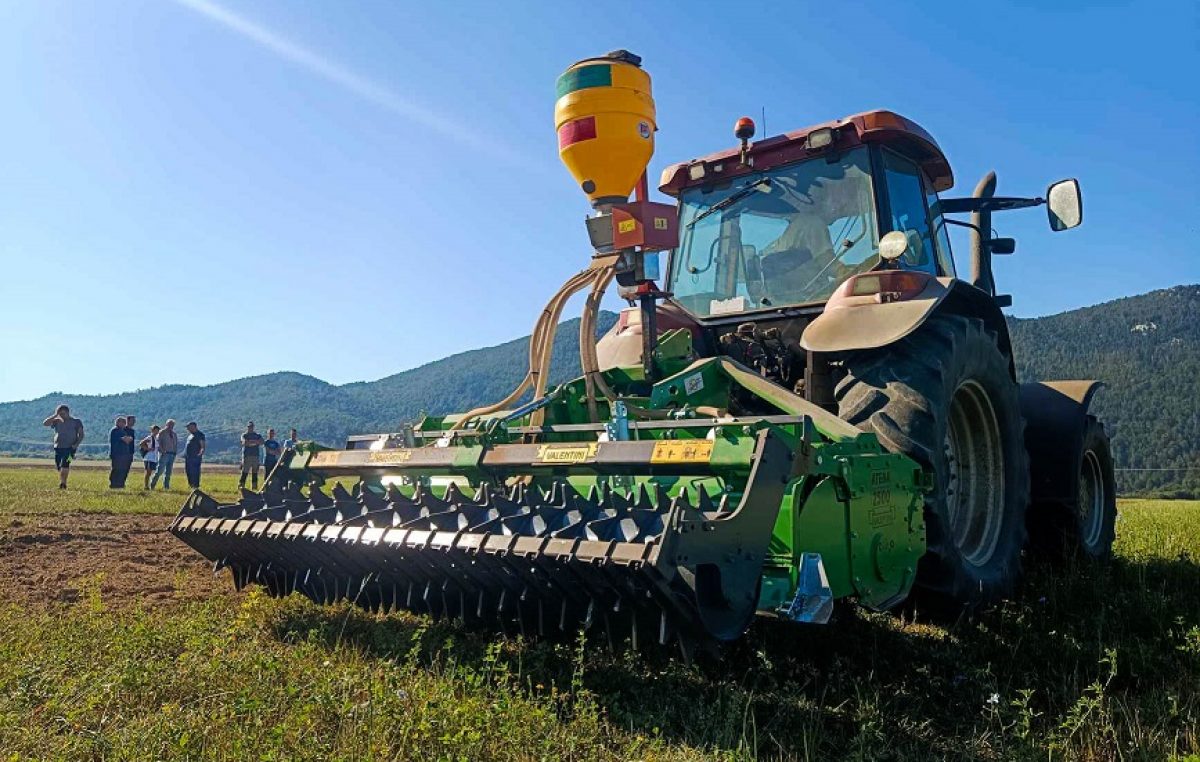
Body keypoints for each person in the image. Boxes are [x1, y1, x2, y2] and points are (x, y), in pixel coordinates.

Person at [42, 404, 84, 490]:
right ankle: (62, 480)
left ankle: (63, 483)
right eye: (60, 414)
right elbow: (45, 423)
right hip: (58, 447)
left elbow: (81, 434)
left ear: (68, 413)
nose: (62, 416)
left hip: (71, 449)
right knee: (59, 466)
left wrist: (76, 444)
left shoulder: (76, 421)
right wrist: (55, 415)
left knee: (66, 464)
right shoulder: (56, 421)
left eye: (63, 414)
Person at [150, 419, 179, 490]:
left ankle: (166, 486)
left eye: (172, 425)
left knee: (169, 472)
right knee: (160, 470)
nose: (171, 426)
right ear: (166, 424)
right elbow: (158, 442)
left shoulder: (174, 434)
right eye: (169, 424)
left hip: (172, 454)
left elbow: (175, 444)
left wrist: (175, 452)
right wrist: (162, 451)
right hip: (165, 454)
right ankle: (152, 485)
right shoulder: (162, 432)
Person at [108, 416, 134, 488]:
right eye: (123, 422)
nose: (125, 424)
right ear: (118, 422)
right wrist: (127, 438)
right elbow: (126, 439)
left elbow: (129, 439)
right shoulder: (115, 430)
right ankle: (114, 484)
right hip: (117, 454)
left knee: (123, 469)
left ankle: (120, 484)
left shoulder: (123, 431)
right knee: (116, 469)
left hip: (124, 454)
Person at [239, 421, 265, 490]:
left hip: (255, 456)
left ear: (253, 427)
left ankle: (254, 488)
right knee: (245, 472)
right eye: (249, 427)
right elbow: (244, 442)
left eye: (251, 427)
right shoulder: (244, 435)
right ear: (247, 427)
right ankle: (241, 486)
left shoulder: (258, 435)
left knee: (255, 473)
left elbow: (262, 442)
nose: (250, 428)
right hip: (247, 456)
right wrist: (255, 442)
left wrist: (251, 442)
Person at [184, 421, 206, 489]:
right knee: (188, 471)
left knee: (195, 472)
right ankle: (191, 485)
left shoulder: (200, 434)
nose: (187, 429)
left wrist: (201, 452)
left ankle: (196, 486)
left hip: (195, 457)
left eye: (188, 427)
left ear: (193, 426)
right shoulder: (190, 435)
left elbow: (202, 445)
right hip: (188, 457)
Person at [140, 425, 160, 490]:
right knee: (148, 472)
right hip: (148, 457)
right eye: (155, 430)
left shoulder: (156, 438)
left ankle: (148, 485)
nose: (156, 432)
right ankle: (146, 486)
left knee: (150, 472)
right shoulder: (149, 437)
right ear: (152, 430)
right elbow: (141, 443)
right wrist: (148, 449)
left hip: (154, 458)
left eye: (157, 430)